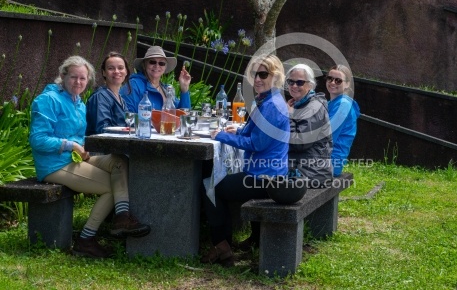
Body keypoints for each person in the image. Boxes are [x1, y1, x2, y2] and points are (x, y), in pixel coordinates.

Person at [29, 56, 150, 259]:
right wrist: (72, 145)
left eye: (83, 79)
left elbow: (77, 136)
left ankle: (121, 217)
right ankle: (86, 240)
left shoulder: (79, 103)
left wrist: (82, 146)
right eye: (74, 77)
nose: (78, 82)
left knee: (119, 160)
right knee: (111, 187)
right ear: (62, 76)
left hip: (75, 159)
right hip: (54, 164)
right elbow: (38, 140)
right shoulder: (48, 100)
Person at [201, 54, 289, 265]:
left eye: (263, 74)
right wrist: (238, 129)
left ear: (275, 76)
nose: (257, 79)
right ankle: (226, 244)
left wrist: (221, 136)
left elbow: (256, 144)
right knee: (218, 182)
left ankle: (221, 246)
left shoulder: (271, 105)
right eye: (254, 74)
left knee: (211, 187)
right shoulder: (271, 100)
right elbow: (257, 133)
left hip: (265, 178)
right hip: (270, 173)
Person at [286, 64, 332, 187]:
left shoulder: (314, 108)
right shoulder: (299, 104)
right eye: (291, 82)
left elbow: (299, 143)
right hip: (302, 167)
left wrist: (288, 116)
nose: (294, 86)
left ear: (310, 85)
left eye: (300, 82)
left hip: (311, 173)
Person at [121, 45, 191, 111]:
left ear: (165, 67)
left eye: (162, 63)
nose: (157, 66)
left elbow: (184, 115)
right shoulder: (133, 85)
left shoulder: (166, 89)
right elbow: (128, 116)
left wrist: (184, 88)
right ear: (144, 65)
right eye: (152, 62)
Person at [326, 64, 360, 177]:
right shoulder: (333, 103)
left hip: (329, 163)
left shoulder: (343, 105)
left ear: (347, 84)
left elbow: (327, 137)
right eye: (330, 78)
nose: (332, 83)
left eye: (338, 81)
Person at [86, 52, 132, 135]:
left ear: (126, 72)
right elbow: (101, 130)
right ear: (104, 72)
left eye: (120, 68)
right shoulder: (100, 97)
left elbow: (128, 124)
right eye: (111, 68)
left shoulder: (121, 99)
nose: (116, 71)